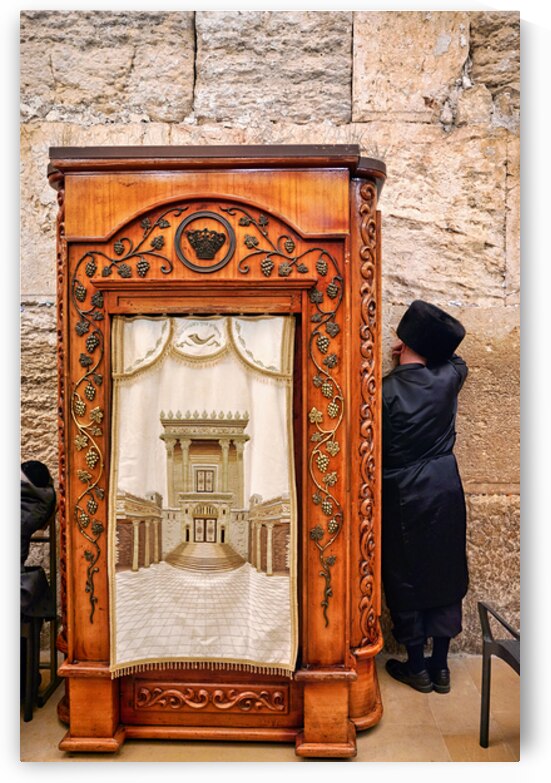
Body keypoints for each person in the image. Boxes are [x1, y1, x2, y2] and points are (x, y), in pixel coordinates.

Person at [382, 300, 468, 694]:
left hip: (403, 491)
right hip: (444, 485)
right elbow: (457, 361)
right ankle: (441, 667)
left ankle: (416, 667)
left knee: (406, 574)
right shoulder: (448, 377)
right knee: (446, 569)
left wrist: (404, 360)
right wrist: (429, 353)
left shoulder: (384, 391)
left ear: (402, 342)